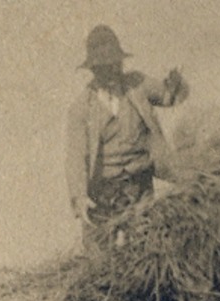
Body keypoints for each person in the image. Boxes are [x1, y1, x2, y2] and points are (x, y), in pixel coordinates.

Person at [65, 25, 187, 249]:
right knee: (97, 259)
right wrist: (79, 197)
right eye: (105, 68)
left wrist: (176, 83)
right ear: (94, 69)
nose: (112, 71)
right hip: (102, 195)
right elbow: (75, 158)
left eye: (115, 65)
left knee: (148, 248)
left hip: (139, 186)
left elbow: (170, 97)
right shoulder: (81, 109)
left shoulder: (137, 85)